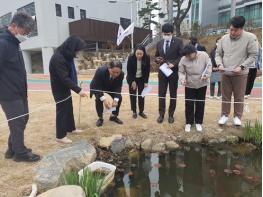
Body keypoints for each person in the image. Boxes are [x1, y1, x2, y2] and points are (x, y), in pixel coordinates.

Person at [0, 12, 40, 162]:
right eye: (26, 31)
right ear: (15, 26)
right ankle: (20, 153)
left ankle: (12, 148)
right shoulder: (3, 43)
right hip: (8, 93)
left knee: (22, 118)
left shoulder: (13, 42)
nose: (27, 35)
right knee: (17, 121)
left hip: (19, 91)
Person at [216, 16, 258, 126]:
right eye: (231, 29)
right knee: (225, 96)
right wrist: (219, 64)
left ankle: (237, 116)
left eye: (235, 30)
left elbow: (253, 55)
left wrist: (242, 67)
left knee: (239, 96)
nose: (232, 32)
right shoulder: (224, 38)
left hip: (240, 74)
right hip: (225, 72)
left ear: (241, 29)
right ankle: (224, 115)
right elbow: (218, 54)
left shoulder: (250, 37)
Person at [49, 36, 88, 144]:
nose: (79, 52)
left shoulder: (67, 56)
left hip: (65, 88)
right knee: (62, 111)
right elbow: (64, 78)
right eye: (78, 50)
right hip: (59, 89)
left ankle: (71, 128)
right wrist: (78, 90)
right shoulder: (58, 58)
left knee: (68, 109)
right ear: (72, 47)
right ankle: (60, 136)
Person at [179, 44, 212, 132]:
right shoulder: (183, 59)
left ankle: (198, 122)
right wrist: (182, 79)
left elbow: (209, 66)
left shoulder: (204, 55)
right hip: (190, 83)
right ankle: (189, 122)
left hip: (202, 83)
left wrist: (207, 74)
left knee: (200, 103)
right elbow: (181, 72)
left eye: (189, 55)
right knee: (189, 103)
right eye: (186, 56)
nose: (188, 57)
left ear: (194, 52)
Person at [155, 23, 183, 124]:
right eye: (165, 33)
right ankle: (161, 114)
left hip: (173, 72)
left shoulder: (178, 42)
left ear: (172, 33)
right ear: (162, 33)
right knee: (161, 94)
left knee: (173, 94)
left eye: (168, 34)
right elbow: (156, 56)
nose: (166, 35)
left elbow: (181, 56)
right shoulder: (159, 43)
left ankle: (171, 114)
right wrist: (157, 59)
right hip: (162, 72)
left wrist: (174, 64)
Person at [90, 60, 124, 127]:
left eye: (118, 72)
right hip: (98, 86)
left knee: (119, 98)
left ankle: (113, 116)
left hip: (111, 87)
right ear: (109, 68)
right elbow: (97, 87)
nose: (115, 74)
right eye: (113, 72)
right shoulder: (100, 71)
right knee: (98, 99)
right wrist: (104, 99)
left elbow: (118, 87)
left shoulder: (121, 74)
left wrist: (115, 100)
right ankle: (100, 118)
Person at [127, 45, 150, 119]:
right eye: (137, 54)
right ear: (135, 53)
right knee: (133, 95)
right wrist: (132, 81)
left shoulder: (147, 58)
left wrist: (146, 82)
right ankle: (134, 111)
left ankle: (141, 111)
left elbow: (147, 71)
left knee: (141, 95)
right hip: (132, 78)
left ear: (144, 53)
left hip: (141, 78)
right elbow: (129, 71)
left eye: (141, 54)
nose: (139, 56)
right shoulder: (131, 58)